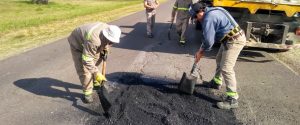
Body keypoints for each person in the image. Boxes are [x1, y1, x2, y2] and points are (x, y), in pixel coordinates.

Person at [190, 2, 246, 109]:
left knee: (226, 68)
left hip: (235, 40)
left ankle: (233, 98)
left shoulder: (208, 18)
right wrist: (201, 49)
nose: (196, 19)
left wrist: (200, 51)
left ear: (201, 11)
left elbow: (209, 42)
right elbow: (208, 37)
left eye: (195, 16)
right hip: (228, 39)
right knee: (219, 59)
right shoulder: (214, 10)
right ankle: (216, 82)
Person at [67, 22, 121, 103]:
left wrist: (105, 50)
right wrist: (97, 73)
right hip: (78, 44)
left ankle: (96, 84)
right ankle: (87, 93)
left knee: (98, 61)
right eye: (111, 41)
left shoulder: (109, 29)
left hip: (91, 43)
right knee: (85, 70)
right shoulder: (94, 40)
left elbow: (106, 42)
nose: (112, 43)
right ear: (106, 36)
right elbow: (87, 60)